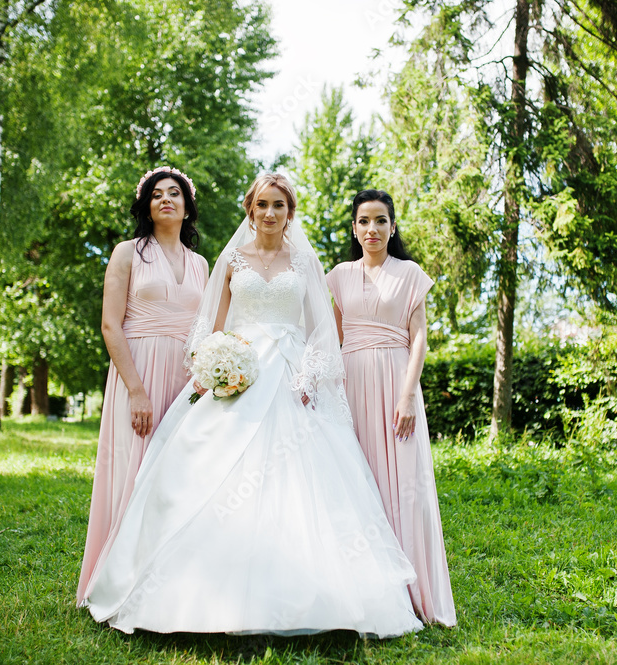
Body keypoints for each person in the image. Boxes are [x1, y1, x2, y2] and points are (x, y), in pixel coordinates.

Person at [82, 174, 422, 638]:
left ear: (290, 212)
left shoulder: (304, 262)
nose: (269, 213)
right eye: (261, 204)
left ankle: (319, 596)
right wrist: (214, 367)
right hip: (240, 371)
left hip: (291, 375)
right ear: (250, 209)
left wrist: (308, 373)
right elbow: (209, 326)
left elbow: (323, 328)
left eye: (278, 205)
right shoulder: (230, 259)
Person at [76, 167, 209, 606]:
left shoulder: (200, 264)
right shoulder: (127, 253)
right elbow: (111, 325)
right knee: (134, 472)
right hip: (139, 369)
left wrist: (205, 375)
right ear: (146, 206)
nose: (166, 200)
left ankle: (168, 585)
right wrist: (135, 389)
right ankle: (118, 581)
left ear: (187, 206)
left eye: (175, 193)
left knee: (177, 475)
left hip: (184, 378)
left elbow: (206, 329)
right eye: (157, 195)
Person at [326, 189, 456, 626]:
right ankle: (369, 593)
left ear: (392, 226)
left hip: (398, 380)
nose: (372, 229)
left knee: (406, 487)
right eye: (364, 221)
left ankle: (417, 595)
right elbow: (338, 339)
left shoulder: (410, 273)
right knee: (358, 482)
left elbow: (419, 338)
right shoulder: (340, 275)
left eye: (381, 221)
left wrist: (406, 394)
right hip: (352, 383)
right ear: (354, 229)